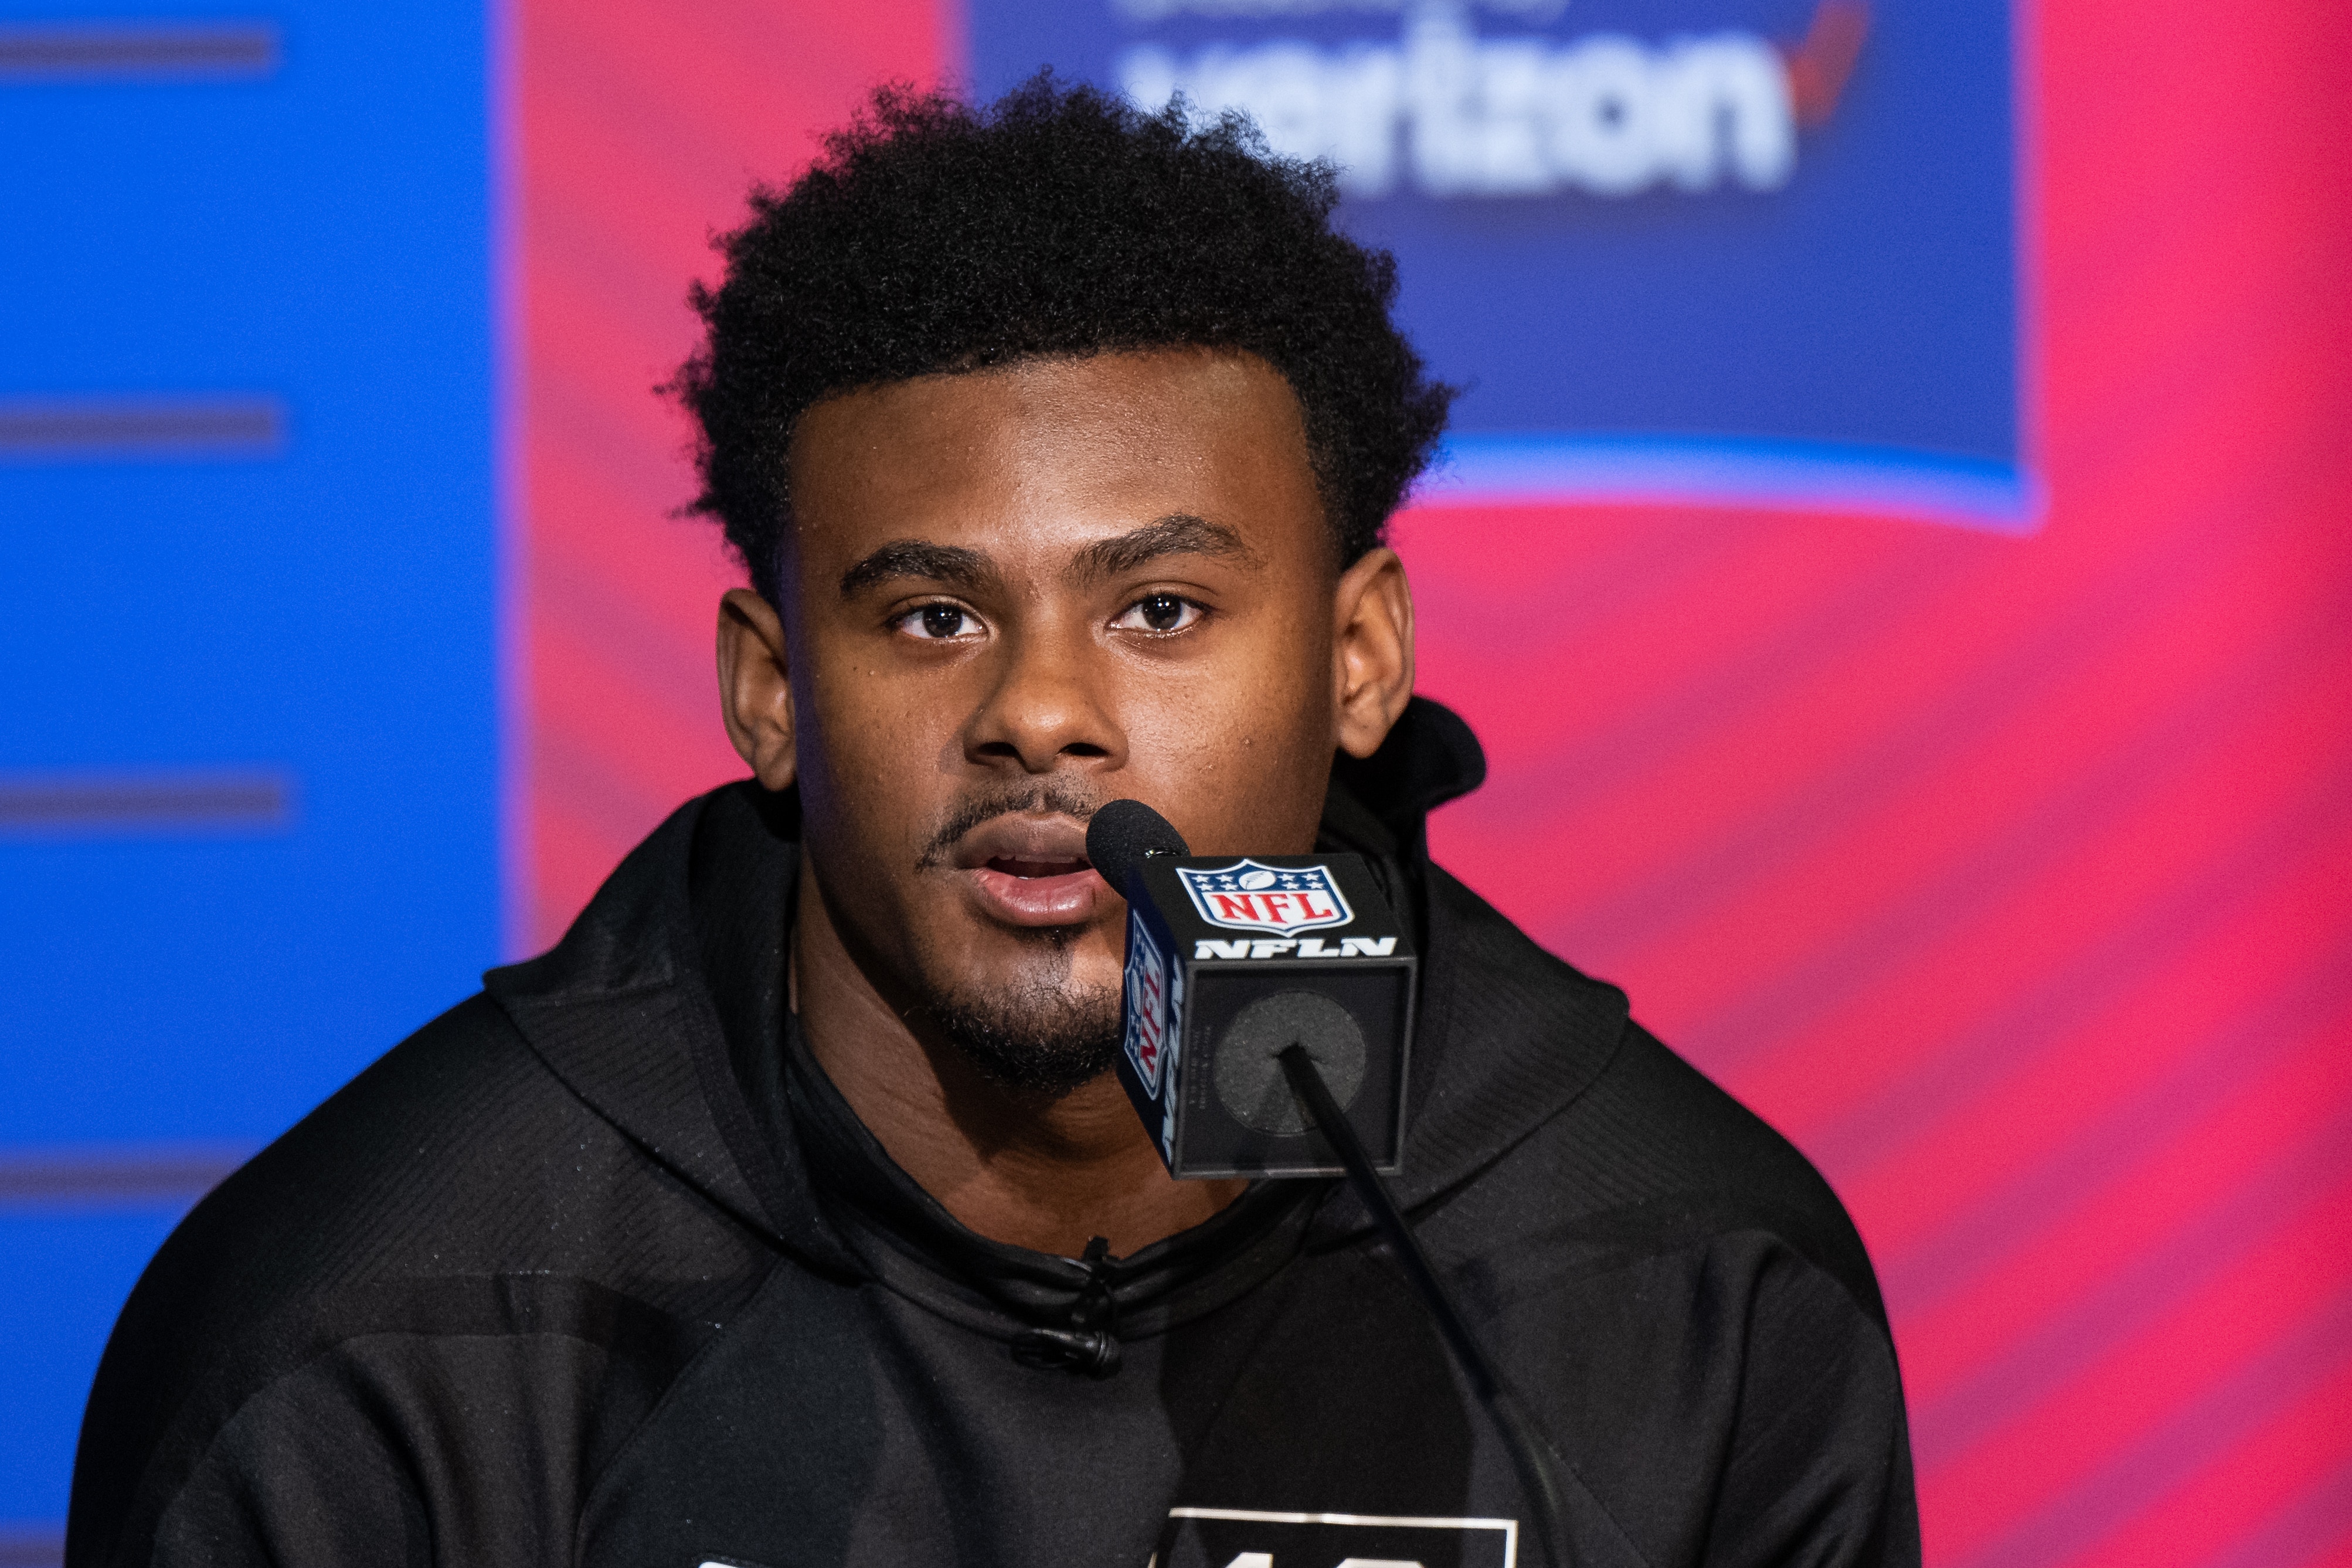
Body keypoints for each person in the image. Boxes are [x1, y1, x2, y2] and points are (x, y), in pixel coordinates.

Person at [68, 78, 1918, 1567]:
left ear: (1357, 658)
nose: (1039, 711)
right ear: (771, 690)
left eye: (1159, 612)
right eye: (931, 616)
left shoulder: (1683, 1287)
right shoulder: (374, 1327)